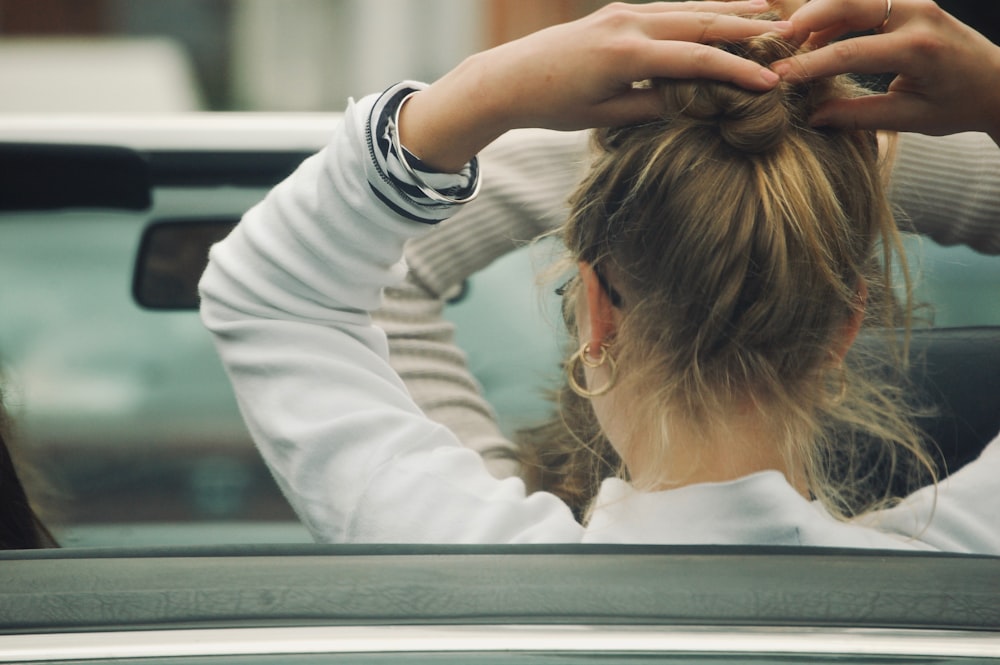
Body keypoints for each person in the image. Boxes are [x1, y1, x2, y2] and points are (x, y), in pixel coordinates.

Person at [200, 2, 999, 549]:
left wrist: (490, 87)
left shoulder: (466, 561)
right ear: (846, 325)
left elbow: (271, 291)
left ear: (597, 309)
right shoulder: (963, 569)